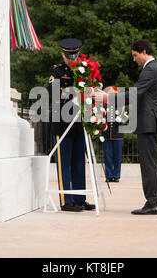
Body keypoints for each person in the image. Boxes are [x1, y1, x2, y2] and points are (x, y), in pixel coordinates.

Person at [94, 39, 157, 215]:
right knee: (151, 164)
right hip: (149, 122)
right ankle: (154, 200)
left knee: (149, 165)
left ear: (143, 52)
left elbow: (133, 95)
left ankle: (153, 202)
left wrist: (106, 98)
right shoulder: (151, 69)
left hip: (148, 123)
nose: (134, 59)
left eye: (135, 55)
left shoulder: (150, 70)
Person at [47, 38, 95, 212]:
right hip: (62, 124)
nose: (72, 58)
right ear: (63, 54)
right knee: (64, 163)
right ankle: (66, 200)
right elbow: (53, 92)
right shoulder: (56, 71)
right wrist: (76, 93)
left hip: (78, 124)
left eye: (75, 55)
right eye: (68, 55)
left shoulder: (84, 71)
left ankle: (79, 198)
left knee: (78, 163)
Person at [102, 86, 126, 183]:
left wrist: (121, 120)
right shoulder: (104, 107)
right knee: (107, 156)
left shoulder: (121, 107)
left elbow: (126, 120)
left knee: (117, 157)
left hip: (118, 135)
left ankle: (116, 175)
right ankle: (108, 175)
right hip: (107, 134)